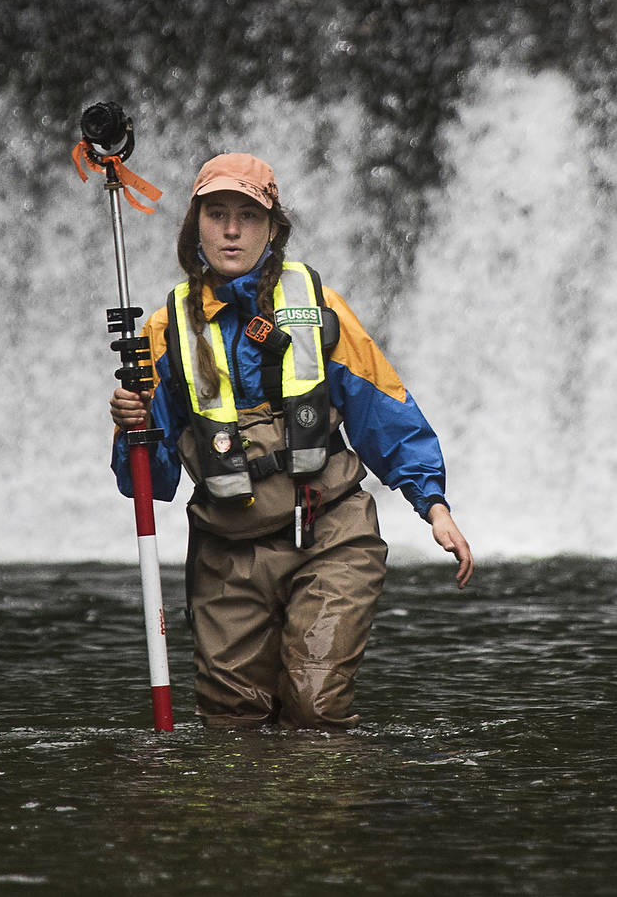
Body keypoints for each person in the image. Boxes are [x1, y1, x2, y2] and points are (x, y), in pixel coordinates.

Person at [108, 151, 473, 730]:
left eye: (248, 216)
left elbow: (384, 410)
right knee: (233, 725)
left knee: (314, 706)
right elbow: (146, 484)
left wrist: (433, 503)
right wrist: (133, 429)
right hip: (228, 550)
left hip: (329, 531)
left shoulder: (318, 308)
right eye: (216, 213)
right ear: (194, 223)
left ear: (273, 228)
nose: (231, 229)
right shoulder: (162, 331)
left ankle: (321, 816)